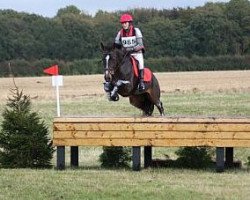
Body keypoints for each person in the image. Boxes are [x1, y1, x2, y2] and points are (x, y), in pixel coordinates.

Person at [114, 13, 146, 91]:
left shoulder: (136, 31)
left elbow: (140, 44)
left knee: (140, 64)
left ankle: (141, 83)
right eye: (122, 23)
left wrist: (132, 49)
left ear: (129, 23)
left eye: (125, 23)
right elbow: (116, 44)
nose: (124, 25)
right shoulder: (120, 32)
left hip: (136, 53)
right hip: (125, 55)